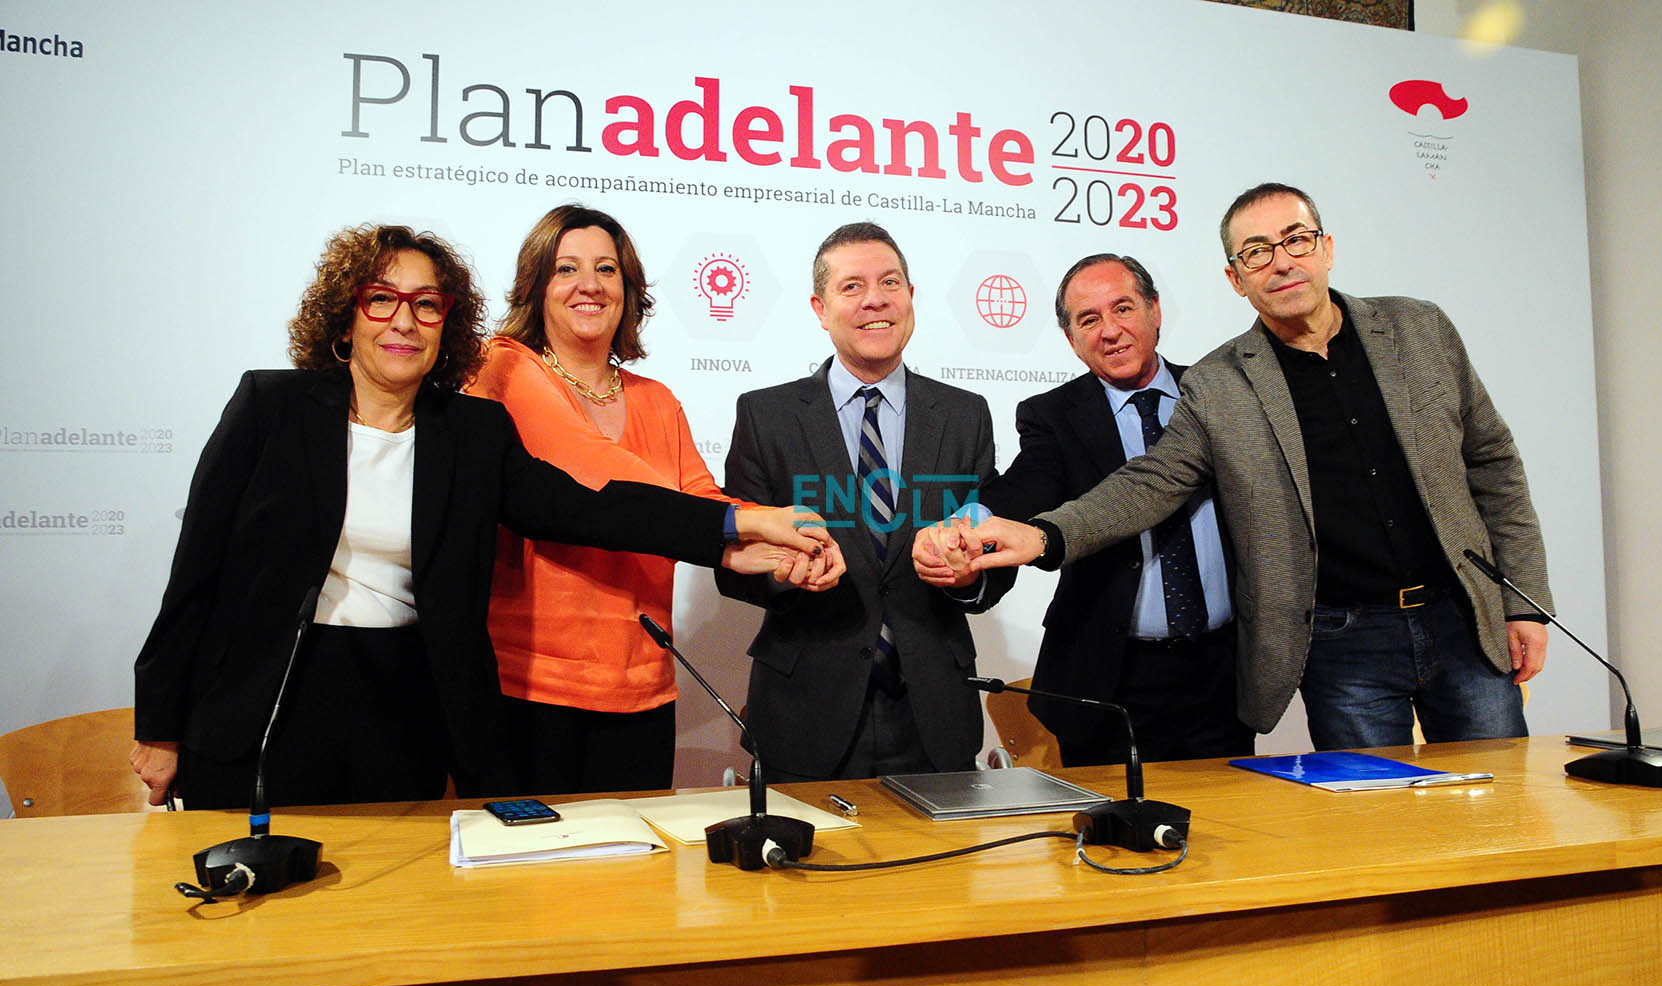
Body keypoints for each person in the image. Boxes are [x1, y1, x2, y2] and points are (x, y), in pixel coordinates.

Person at [129, 223, 839, 809]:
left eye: (427, 305)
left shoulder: (467, 432)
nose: (404, 321)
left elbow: (584, 508)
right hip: (268, 702)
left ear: (448, 323)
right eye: (382, 299)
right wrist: (159, 726)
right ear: (346, 314)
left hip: (400, 705)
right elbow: (194, 573)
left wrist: (736, 526)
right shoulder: (270, 409)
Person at [966, 183, 1552, 751]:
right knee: (1373, 825)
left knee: (1501, 811)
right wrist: (1044, 535)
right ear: (1236, 278)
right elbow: (1153, 480)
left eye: (1296, 240)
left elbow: (1493, 465)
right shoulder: (1222, 383)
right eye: (1256, 252)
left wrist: (1523, 602)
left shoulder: (1421, 329)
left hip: (1463, 617)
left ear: (1325, 247)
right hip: (1342, 643)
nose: (1282, 263)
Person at [467, 205, 823, 794]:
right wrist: (747, 526)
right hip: (528, 686)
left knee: (636, 881)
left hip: (645, 686)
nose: (590, 285)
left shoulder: (657, 399)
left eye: (607, 269)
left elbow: (698, 499)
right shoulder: (503, 366)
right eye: (567, 269)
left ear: (628, 290)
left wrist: (781, 549)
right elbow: (597, 475)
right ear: (536, 287)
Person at [914, 254, 1250, 764]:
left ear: (1155, 311)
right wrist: (962, 531)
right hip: (1108, 679)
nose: (1110, 331)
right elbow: (1023, 491)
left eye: (1123, 309)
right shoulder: (1053, 416)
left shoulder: (1216, 396)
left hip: (1223, 672)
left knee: (1231, 836)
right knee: (1114, 841)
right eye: (1088, 320)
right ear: (1070, 339)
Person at [715, 222, 1015, 782]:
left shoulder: (964, 413)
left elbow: (993, 551)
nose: (875, 299)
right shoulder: (766, 415)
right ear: (820, 307)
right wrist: (788, 571)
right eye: (851, 286)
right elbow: (732, 567)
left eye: (890, 282)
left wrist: (967, 575)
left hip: (934, 708)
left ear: (910, 298)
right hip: (806, 706)